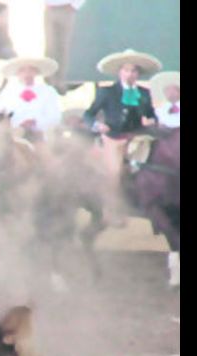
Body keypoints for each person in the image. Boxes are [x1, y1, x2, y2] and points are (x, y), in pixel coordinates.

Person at [82, 48, 161, 226]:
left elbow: (152, 115)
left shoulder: (144, 93)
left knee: (155, 165)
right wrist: (97, 125)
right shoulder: (107, 92)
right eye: (126, 70)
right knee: (115, 172)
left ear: (138, 74)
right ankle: (111, 210)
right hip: (114, 137)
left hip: (139, 137)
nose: (130, 74)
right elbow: (88, 115)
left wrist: (151, 121)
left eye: (134, 71)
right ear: (120, 72)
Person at [0, 56, 63, 141]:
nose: (27, 73)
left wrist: (36, 123)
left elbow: (55, 116)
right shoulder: (8, 92)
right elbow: (0, 114)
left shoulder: (48, 91)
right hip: (14, 135)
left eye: (31, 70)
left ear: (36, 72)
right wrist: (18, 124)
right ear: (17, 73)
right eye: (22, 70)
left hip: (41, 136)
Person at [43, 0, 85, 93]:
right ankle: (49, 81)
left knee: (62, 48)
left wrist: (75, 5)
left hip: (66, 9)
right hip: (50, 9)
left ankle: (60, 83)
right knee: (50, 47)